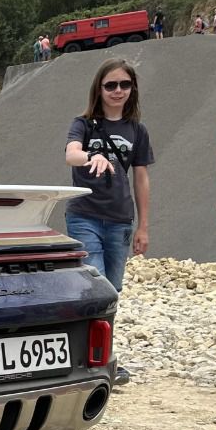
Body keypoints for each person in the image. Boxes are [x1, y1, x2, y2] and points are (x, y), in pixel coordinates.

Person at [63, 58, 155, 384]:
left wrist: (144, 226)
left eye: (124, 85)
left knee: (112, 291)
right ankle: (93, 362)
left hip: (120, 220)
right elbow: (71, 154)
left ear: (132, 89)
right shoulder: (84, 124)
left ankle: (102, 357)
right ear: (99, 89)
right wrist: (92, 155)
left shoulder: (137, 131)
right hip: (84, 215)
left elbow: (141, 179)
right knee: (96, 285)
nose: (118, 91)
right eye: (110, 85)